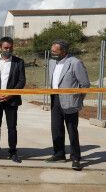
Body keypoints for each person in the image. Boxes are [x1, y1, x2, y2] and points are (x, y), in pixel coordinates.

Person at [45, 40, 90, 171]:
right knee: (56, 128)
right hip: (55, 100)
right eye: (52, 50)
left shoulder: (75, 63)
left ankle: (76, 158)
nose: (52, 53)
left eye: (55, 51)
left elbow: (85, 84)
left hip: (70, 102)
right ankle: (59, 154)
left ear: (63, 51)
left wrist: (78, 99)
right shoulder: (52, 62)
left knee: (72, 130)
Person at [0, 36, 25, 163]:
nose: (8, 49)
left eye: (10, 47)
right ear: (0, 47)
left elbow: (21, 81)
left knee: (12, 127)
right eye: (6, 47)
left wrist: (10, 95)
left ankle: (13, 152)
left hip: (11, 100)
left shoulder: (19, 62)